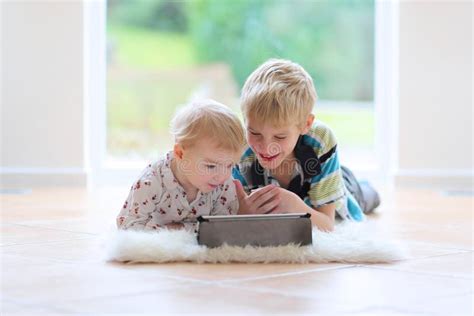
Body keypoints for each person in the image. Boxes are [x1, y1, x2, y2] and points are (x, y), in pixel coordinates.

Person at [232, 59, 380, 231]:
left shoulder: (321, 140)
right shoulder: (239, 147)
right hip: (316, 182)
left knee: (366, 197)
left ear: (306, 124)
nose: (266, 147)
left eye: (280, 136)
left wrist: (295, 206)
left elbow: (327, 224)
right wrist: (243, 211)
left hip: (339, 184)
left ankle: (363, 186)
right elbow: (236, 212)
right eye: (255, 133)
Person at [117, 99, 246, 232]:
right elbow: (128, 227)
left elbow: (222, 228)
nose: (222, 176)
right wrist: (177, 232)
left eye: (230, 165)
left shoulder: (223, 184)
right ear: (180, 154)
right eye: (211, 166)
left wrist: (180, 229)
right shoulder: (151, 182)